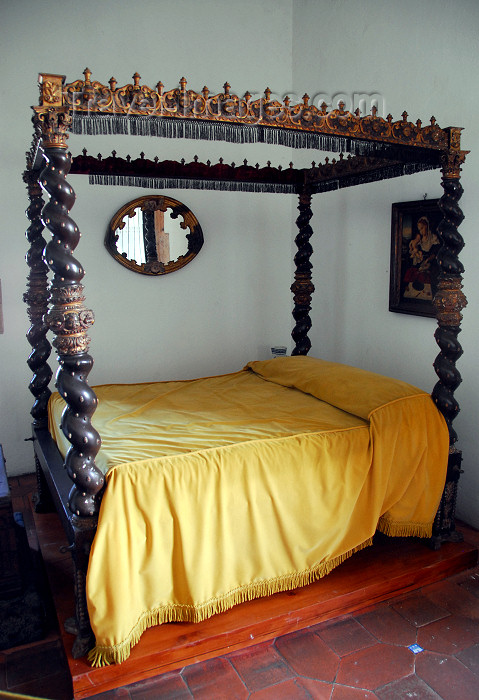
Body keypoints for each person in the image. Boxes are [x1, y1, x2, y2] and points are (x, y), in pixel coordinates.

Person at [403, 216, 440, 300]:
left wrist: (427, 261)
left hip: (430, 265)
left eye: (422, 228)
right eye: (419, 229)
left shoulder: (433, 238)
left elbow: (434, 253)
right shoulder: (419, 240)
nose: (421, 231)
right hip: (420, 264)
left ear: (427, 226)